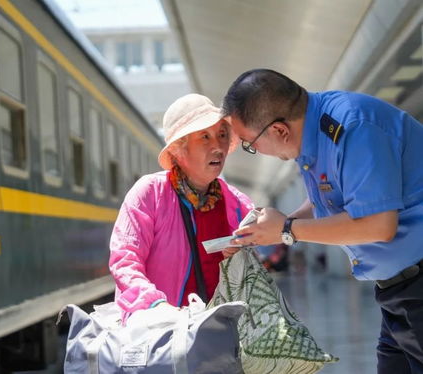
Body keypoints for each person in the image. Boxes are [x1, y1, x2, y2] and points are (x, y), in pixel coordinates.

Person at [221, 68, 423, 373]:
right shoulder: (315, 133)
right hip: (399, 293)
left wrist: (288, 230)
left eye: (251, 144)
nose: (256, 151)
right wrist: (278, 225)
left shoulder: (352, 127)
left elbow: (379, 226)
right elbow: (328, 200)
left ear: (278, 131)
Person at [109, 93, 254, 316]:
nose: (217, 146)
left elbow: (251, 272)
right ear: (178, 149)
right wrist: (154, 306)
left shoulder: (237, 204)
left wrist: (239, 259)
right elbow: (125, 259)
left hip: (220, 334)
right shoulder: (150, 194)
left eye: (222, 135)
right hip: (161, 333)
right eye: (205, 137)